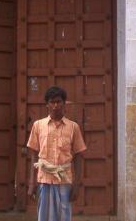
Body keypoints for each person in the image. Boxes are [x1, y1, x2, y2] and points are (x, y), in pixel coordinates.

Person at [26, 86, 86, 221]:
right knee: (44, 217)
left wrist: (76, 185)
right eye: (52, 102)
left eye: (59, 102)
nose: (55, 105)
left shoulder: (73, 127)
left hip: (64, 180)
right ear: (47, 104)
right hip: (44, 180)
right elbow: (34, 155)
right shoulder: (38, 125)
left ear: (64, 104)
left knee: (63, 216)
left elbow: (78, 157)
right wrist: (31, 183)